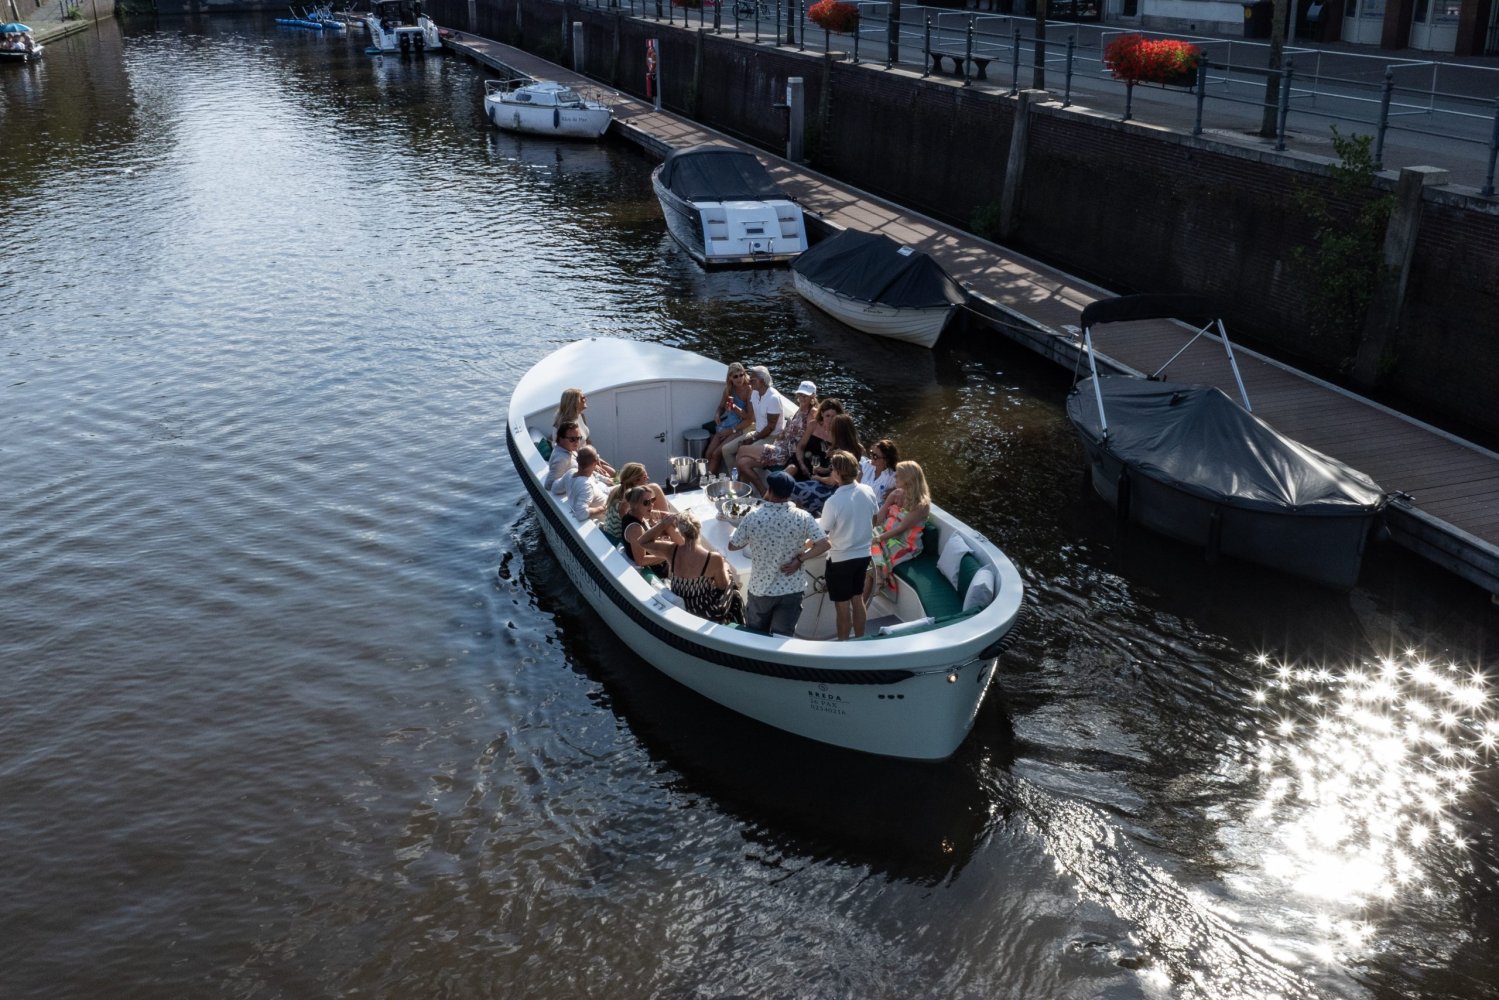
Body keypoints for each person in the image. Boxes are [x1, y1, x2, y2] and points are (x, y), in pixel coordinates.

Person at [729, 471, 829, 636]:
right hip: (792, 589)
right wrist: (800, 559)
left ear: (769, 490)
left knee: (755, 637)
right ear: (789, 493)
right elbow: (824, 544)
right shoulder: (803, 517)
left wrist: (751, 536)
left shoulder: (753, 517)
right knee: (781, 639)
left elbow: (733, 546)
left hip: (761, 589)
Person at [818, 451, 880, 640]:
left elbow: (822, 533)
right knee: (858, 598)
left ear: (837, 473)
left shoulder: (833, 502)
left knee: (842, 607)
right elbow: (874, 520)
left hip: (840, 561)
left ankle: (844, 646)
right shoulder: (868, 491)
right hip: (863, 557)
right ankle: (860, 641)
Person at [865, 461, 932, 604]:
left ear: (908, 479)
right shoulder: (895, 494)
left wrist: (877, 539)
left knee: (872, 561)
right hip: (884, 532)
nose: (894, 477)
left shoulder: (921, 505)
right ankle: (863, 595)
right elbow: (880, 518)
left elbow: (900, 529)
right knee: (859, 544)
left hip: (904, 543)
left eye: (898, 476)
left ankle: (866, 596)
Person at [735, 380, 816, 494]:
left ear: (813, 396)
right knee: (743, 463)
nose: (802, 398)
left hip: (784, 452)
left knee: (742, 450)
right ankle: (763, 492)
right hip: (779, 446)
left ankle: (739, 488)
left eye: (805, 395)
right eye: (800, 394)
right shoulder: (801, 408)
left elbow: (806, 437)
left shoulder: (812, 412)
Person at [664, 511, 744, 624]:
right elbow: (722, 586)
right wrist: (725, 567)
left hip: (683, 602)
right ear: (699, 528)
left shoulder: (672, 550)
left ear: (681, 532)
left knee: (733, 594)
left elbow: (643, 542)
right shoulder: (712, 558)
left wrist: (663, 524)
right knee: (735, 593)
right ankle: (736, 625)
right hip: (705, 611)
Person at [790, 413, 863, 517]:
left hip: (834, 491)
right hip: (841, 488)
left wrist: (817, 477)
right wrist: (823, 470)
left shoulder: (843, 453)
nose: (830, 429)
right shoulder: (854, 448)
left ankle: (797, 515)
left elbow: (832, 481)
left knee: (793, 489)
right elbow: (835, 471)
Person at [719, 365, 785, 475]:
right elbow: (750, 417)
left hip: (772, 437)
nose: (749, 381)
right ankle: (736, 479)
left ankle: (742, 482)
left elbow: (770, 428)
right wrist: (734, 408)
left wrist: (753, 438)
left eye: (753, 379)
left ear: (762, 381)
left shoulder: (773, 398)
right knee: (726, 450)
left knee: (741, 455)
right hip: (757, 432)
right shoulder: (755, 393)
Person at [553, 387, 613, 477]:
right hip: (579, 461)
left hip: (588, 455)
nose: (585, 399)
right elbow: (569, 452)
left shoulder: (580, 416)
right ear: (574, 402)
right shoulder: (565, 426)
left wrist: (595, 457)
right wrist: (592, 465)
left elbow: (587, 440)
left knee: (613, 472)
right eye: (582, 398)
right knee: (610, 475)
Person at [704, 363, 752, 474]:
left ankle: (708, 480)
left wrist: (735, 409)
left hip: (740, 426)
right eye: (735, 376)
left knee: (716, 453)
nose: (739, 379)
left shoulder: (749, 390)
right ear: (730, 378)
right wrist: (717, 414)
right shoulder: (729, 389)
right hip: (728, 423)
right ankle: (707, 477)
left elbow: (749, 418)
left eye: (741, 375)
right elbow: (721, 407)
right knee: (708, 453)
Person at [621, 486, 676, 578]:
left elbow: (645, 537)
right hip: (660, 570)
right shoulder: (635, 529)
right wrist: (668, 555)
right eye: (646, 502)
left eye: (652, 500)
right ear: (635, 504)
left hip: (660, 561)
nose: (651, 505)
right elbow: (641, 560)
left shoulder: (632, 515)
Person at [602, 462, 670, 537]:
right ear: (635, 481)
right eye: (644, 477)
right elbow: (634, 531)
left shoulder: (618, 490)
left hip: (613, 533)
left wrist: (659, 515)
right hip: (620, 539)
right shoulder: (626, 504)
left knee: (654, 488)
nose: (648, 478)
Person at [789, 397, 844, 481]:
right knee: (791, 469)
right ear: (822, 414)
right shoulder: (813, 425)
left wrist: (828, 469)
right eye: (827, 416)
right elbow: (800, 447)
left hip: (824, 468)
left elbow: (843, 455)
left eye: (833, 416)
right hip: (804, 460)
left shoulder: (840, 432)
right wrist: (801, 464)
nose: (830, 420)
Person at [565, 446, 611, 522]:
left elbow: (555, 488)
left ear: (577, 460)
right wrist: (603, 508)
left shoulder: (570, 473)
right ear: (595, 463)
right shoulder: (586, 486)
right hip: (607, 517)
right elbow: (581, 513)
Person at [545, 421, 585, 495]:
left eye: (578, 438)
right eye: (572, 439)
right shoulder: (561, 459)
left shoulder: (567, 449)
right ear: (561, 439)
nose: (577, 442)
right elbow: (549, 485)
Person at [859, 439, 900, 505]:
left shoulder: (893, 476)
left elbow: (907, 489)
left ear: (886, 460)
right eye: (871, 453)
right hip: (859, 503)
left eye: (875, 456)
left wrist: (894, 491)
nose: (871, 457)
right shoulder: (866, 465)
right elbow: (855, 484)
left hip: (877, 509)